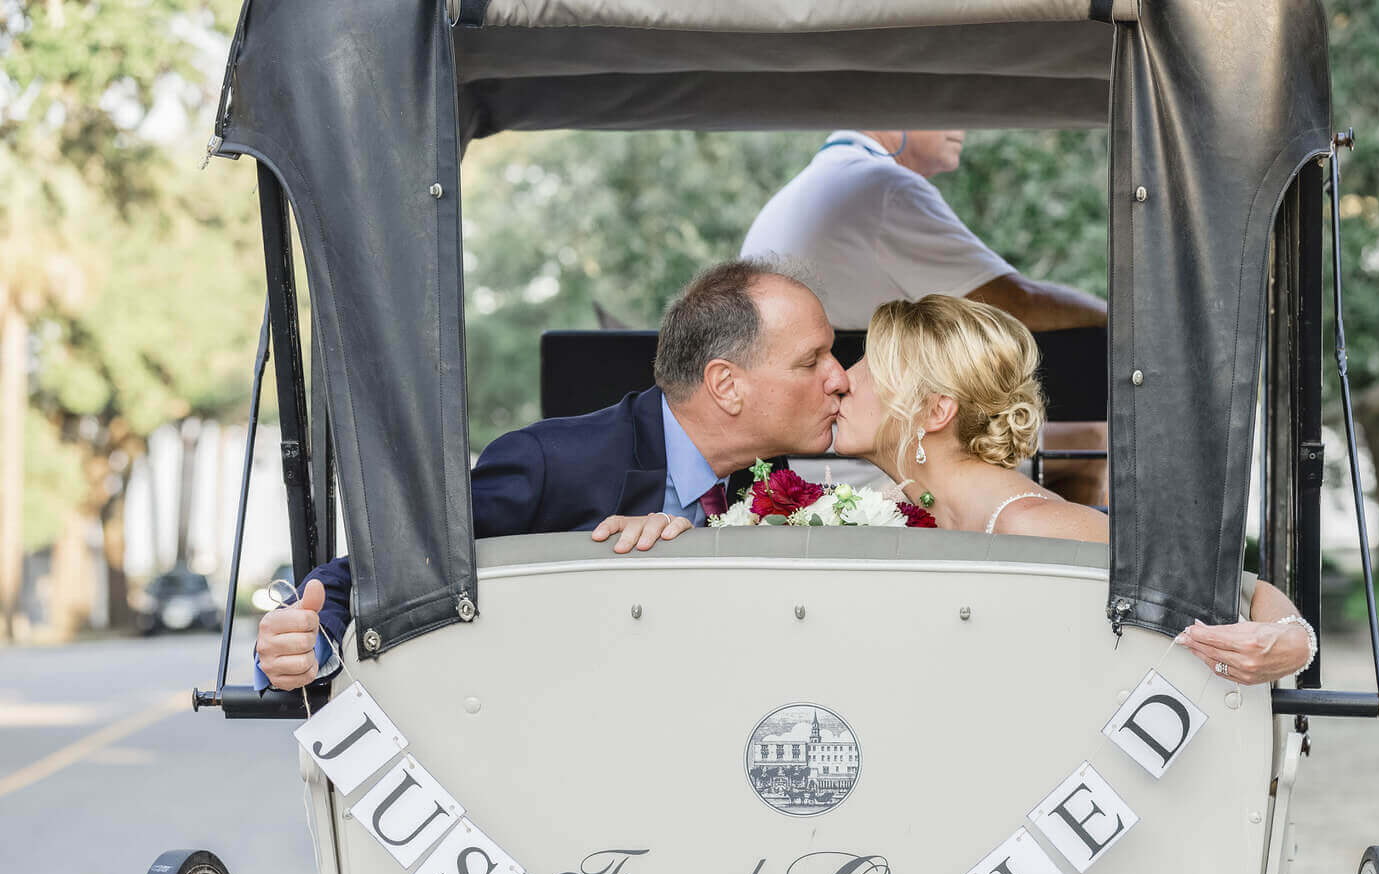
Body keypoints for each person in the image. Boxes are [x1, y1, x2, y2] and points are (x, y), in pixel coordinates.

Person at [254, 258, 847, 691]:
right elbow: (371, 575)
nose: (840, 377)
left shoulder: (767, 481)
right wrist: (301, 642)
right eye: (811, 360)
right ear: (727, 385)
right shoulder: (549, 464)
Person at [831, 294, 1315, 685]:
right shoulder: (893, 507)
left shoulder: (1029, 524)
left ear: (935, 412)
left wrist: (1294, 642)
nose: (841, 380)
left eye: (870, 368)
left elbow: (1245, 594)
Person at [741, 129, 1108, 502]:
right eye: (942, 105)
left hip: (792, 455)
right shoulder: (884, 190)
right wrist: (1113, 317)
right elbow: (1017, 302)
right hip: (852, 459)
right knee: (1092, 440)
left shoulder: (800, 193)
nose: (960, 126)